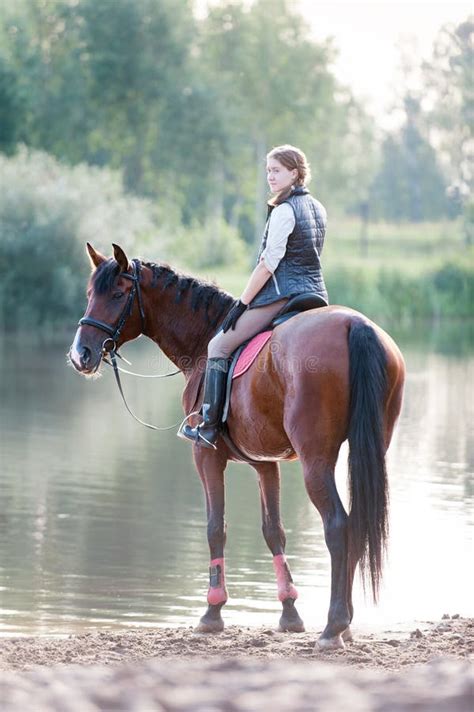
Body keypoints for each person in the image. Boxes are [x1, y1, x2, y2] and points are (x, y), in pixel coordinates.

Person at [180, 144, 328, 449]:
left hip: (282, 295)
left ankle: (208, 426)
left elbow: (268, 264)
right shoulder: (318, 208)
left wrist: (243, 303)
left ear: (295, 173)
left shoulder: (285, 211)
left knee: (218, 345)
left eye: (276, 170)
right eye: (268, 171)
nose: (270, 177)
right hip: (315, 294)